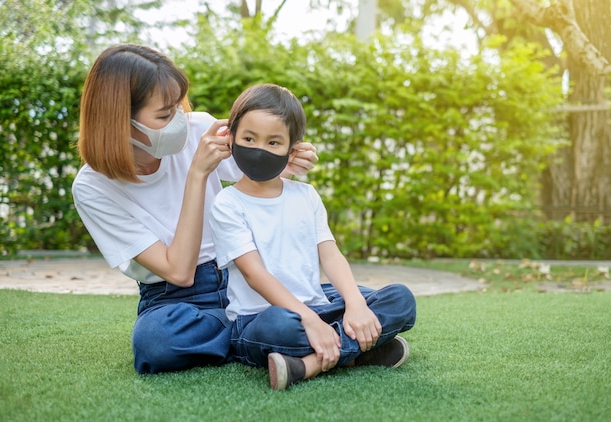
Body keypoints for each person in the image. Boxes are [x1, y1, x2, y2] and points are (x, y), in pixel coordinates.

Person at [71, 44, 319, 374]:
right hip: (174, 298)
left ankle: (270, 329)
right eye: (164, 115)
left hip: (242, 274)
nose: (179, 120)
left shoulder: (200, 128)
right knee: (155, 341)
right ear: (120, 120)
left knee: (356, 299)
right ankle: (262, 332)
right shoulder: (93, 187)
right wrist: (197, 174)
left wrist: (288, 160)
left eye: (178, 107)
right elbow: (179, 271)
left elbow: (260, 168)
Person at [209, 83, 416, 390]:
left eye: (274, 142)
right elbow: (254, 275)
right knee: (279, 327)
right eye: (249, 138)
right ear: (231, 137)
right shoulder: (227, 203)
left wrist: (356, 304)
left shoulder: (306, 195)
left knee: (401, 299)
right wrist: (309, 321)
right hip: (260, 320)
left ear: (292, 149)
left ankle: (306, 365)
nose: (259, 150)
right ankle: (356, 352)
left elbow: (330, 254)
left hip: (318, 305)